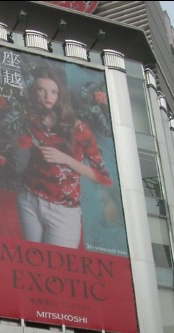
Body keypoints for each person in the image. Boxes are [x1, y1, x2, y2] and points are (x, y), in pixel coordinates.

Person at [14, 67, 112, 248]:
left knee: (54, 270)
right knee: (32, 264)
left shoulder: (78, 128)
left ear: (61, 94)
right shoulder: (30, 118)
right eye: (41, 90)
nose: (47, 96)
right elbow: (21, 152)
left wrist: (65, 159)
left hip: (63, 209)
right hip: (29, 197)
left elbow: (103, 178)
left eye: (53, 92)